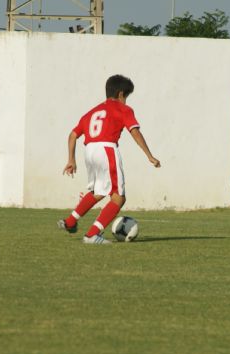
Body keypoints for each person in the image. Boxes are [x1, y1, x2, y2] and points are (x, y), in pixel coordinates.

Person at [58, 74, 161, 244]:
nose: (126, 101)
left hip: (89, 150)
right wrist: (149, 155)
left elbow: (73, 135)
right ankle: (92, 235)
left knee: (98, 191)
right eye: (127, 97)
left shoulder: (92, 112)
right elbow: (134, 131)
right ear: (121, 94)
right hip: (106, 149)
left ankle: (69, 222)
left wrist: (71, 160)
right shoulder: (123, 109)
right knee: (118, 197)